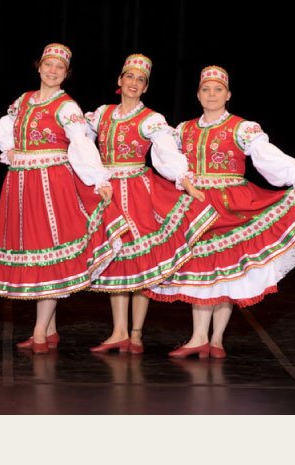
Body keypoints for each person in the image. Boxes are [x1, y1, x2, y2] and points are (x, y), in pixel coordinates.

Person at [146, 65, 295, 358]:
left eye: (217, 89)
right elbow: (165, 155)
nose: (211, 94)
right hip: (197, 203)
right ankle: (199, 337)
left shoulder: (242, 128)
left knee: (227, 271)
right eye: (206, 89)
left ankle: (216, 339)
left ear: (228, 94)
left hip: (232, 202)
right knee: (201, 267)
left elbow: (266, 157)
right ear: (198, 95)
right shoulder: (183, 130)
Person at [0, 43, 126, 354]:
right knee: (35, 252)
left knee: (49, 254)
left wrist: (98, 179)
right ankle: (49, 330)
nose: (52, 71)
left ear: (66, 74)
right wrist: (9, 148)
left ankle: (39, 331)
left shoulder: (67, 107)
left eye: (59, 68)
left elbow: (80, 143)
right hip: (21, 183)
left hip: (51, 183)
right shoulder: (23, 100)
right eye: (48, 65)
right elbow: (6, 124)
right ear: (39, 67)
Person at [85, 54, 218, 354]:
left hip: (138, 191)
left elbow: (166, 152)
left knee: (141, 261)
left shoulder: (151, 119)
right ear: (120, 80)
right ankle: (118, 331)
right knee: (117, 259)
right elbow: (79, 142)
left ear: (145, 87)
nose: (134, 83)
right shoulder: (101, 114)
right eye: (129, 77)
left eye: (140, 80)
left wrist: (184, 179)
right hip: (108, 191)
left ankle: (135, 334)